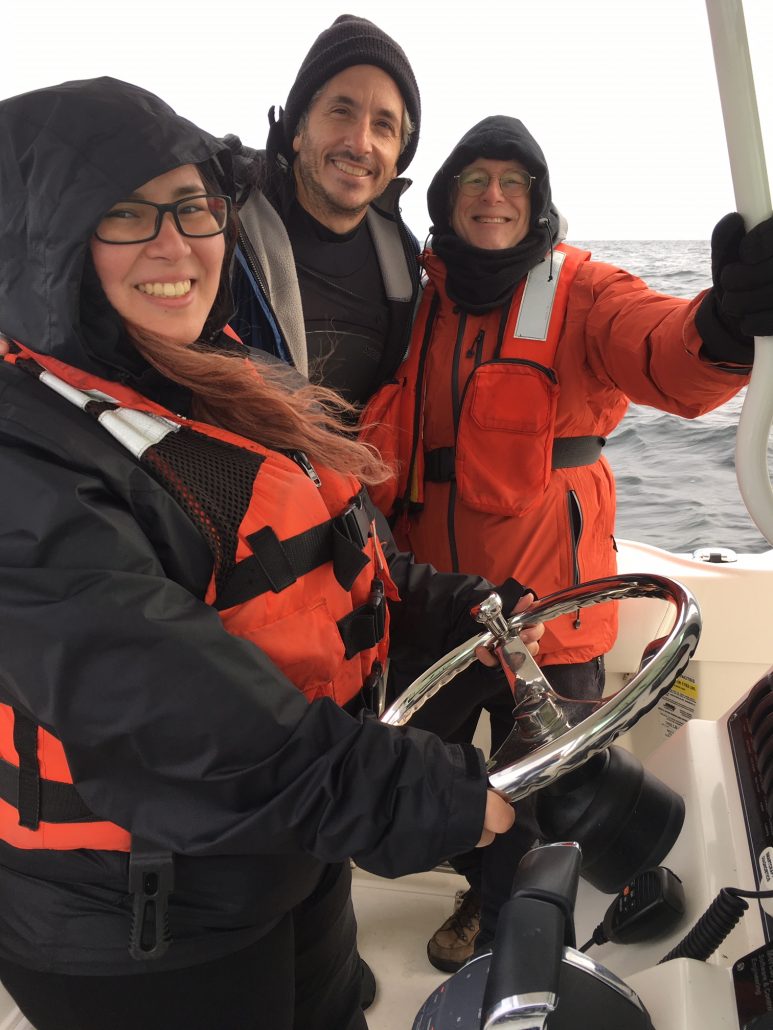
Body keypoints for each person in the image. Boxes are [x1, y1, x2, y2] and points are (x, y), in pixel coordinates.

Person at [0, 81, 546, 1030]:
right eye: (124, 214)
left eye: (192, 208)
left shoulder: (223, 377)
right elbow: (161, 701)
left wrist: (460, 606)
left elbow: (326, 554)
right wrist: (414, 792)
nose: (174, 247)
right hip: (136, 920)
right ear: (48, 237)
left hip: (283, 851)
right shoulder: (25, 448)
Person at [359, 114, 773, 971]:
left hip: (550, 602)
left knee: (545, 778)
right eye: (473, 179)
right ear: (442, 198)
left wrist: (727, 326)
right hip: (431, 596)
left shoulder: (579, 288)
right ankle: (469, 857)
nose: (493, 197)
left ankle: (498, 905)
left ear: (539, 201)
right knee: (419, 762)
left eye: (514, 181)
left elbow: (667, 352)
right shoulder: (414, 292)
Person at [227, 14, 422, 405]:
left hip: (357, 462)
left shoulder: (403, 257)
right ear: (299, 131)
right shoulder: (225, 225)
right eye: (341, 111)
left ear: (399, 158)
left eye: (383, 125)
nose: (360, 142)